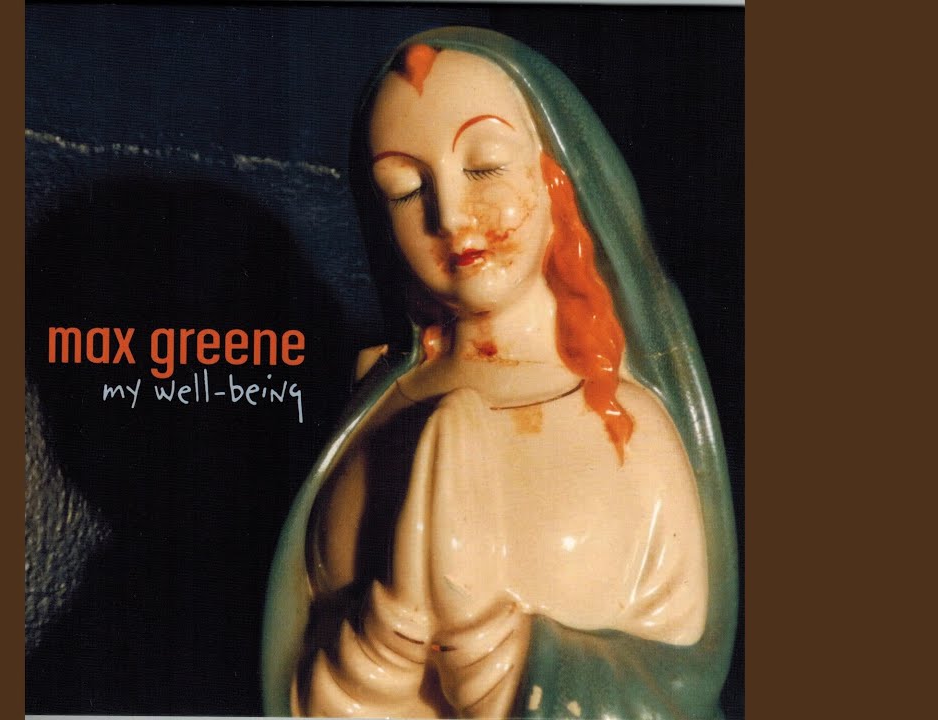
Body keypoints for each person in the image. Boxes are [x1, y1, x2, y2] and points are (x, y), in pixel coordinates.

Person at [263, 27, 737, 720]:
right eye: (403, 189)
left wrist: (513, 667)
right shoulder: (369, 413)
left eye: (485, 168)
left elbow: (675, 681)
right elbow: (294, 660)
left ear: (559, 180)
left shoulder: (628, 431)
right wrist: (371, 663)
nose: (451, 215)